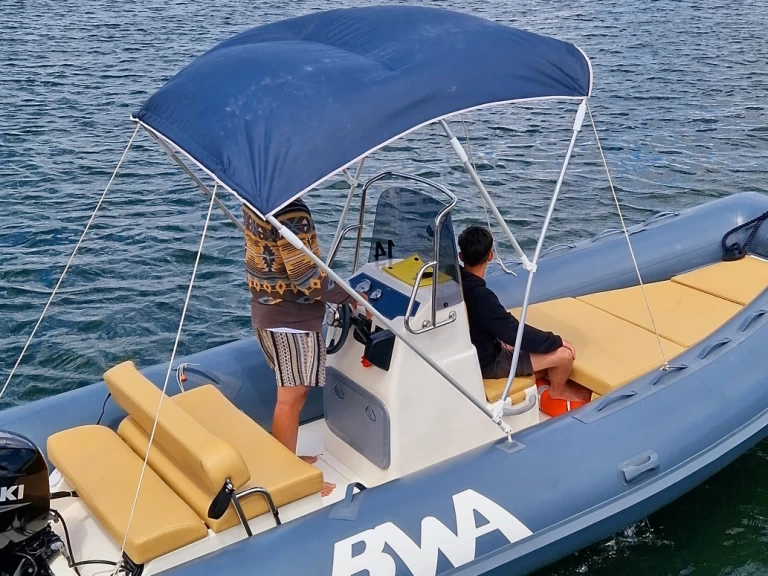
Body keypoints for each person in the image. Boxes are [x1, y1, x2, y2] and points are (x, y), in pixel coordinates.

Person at [243, 198, 354, 496]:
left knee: (292, 396)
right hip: (290, 319)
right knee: (290, 400)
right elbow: (307, 278)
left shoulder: (255, 200)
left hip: (266, 310)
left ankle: (287, 458)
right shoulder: (291, 212)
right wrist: (351, 296)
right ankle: (285, 478)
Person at [457, 225, 590, 402]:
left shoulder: (455, 282)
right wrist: (555, 341)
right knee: (564, 356)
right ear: (490, 256)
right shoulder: (481, 296)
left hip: (479, 349)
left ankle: (536, 372)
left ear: (461, 256)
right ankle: (557, 392)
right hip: (488, 364)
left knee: (514, 338)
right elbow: (512, 332)